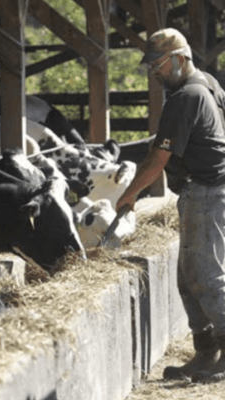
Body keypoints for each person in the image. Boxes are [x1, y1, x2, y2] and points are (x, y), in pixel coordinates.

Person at [116, 27, 225, 383]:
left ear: (180, 59)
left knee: (207, 278)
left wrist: (130, 193)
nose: (154, 72)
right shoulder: (208, 83)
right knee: (188, 277)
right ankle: (207, 353)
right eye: (151, 65)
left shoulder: (185, 97)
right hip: (210, 190)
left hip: (205, 191)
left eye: (158, 64)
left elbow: (158, 158)